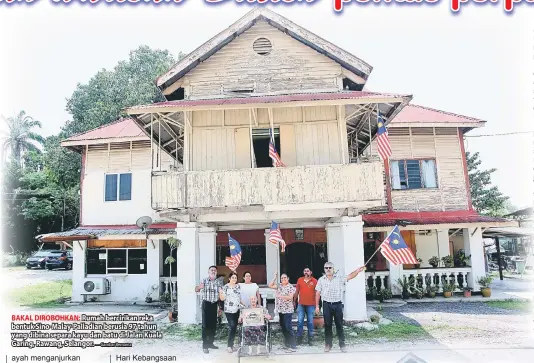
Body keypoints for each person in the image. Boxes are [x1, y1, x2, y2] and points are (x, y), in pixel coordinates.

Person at [315, 262, 365, 353]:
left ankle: (342, 345)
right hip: (326, 305)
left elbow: (350, 276)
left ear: (333, 269)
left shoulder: (339, 278)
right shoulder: (321, 280)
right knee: (328, 325)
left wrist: (358, 271)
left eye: (330, 267)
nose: (328, 269)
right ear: (324, 269)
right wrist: (317, 306)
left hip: (337, 304)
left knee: (339, 325)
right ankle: (328, 344)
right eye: (326, 268)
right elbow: (317, 293)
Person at [195, 265, 223, 354]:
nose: (213, 271)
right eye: (212, 270)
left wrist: (220, 307)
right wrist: (199, 287)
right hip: (206, 304)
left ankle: (211, 343)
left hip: (214, 305)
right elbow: (196, 290)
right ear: (208, 272)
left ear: (216, 272)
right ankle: (205, 345)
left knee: (213, 325)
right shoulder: (204, 280)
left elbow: (220, 295)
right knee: (205, 325)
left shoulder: (218, 282)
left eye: (215, 270)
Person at [268, 271, 297, 352]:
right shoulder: (279, 286)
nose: (283, 279)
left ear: (288, 279)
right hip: (280, 310)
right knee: (283, 327)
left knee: (288, 327)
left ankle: (293, 345)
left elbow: (290, 298)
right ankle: (287, 344)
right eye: (281, 278)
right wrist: (275, 277)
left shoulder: (291, 287)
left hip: (288, 310)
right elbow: (270, 285)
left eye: (284, 277)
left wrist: (279, 296)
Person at [293, 266, 318, 345]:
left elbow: (317, 293)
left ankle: (310, 339)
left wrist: (317, 305)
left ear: (311, 272)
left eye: (308, 271)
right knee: (300, 322)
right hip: (301, 304)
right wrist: (294, 300)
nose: (306, 272)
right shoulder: (300, 280)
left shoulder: (314, 281)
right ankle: (299, 339)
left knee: (310, 322)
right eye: (305, 271)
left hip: (311, 305)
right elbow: (297, 291)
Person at [219, 272, 242, 353]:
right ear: (229, 278)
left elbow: (239, 297)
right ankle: (229, 346)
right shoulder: (225, 287)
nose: (234, 279)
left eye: (235, 278)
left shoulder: (238, 286)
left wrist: (243, 305)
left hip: (237, 309)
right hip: (229, 310)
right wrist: (220, 293)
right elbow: (222, 299)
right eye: (232, 277)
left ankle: (231, 345)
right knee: (232, 326)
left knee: (234, 327)